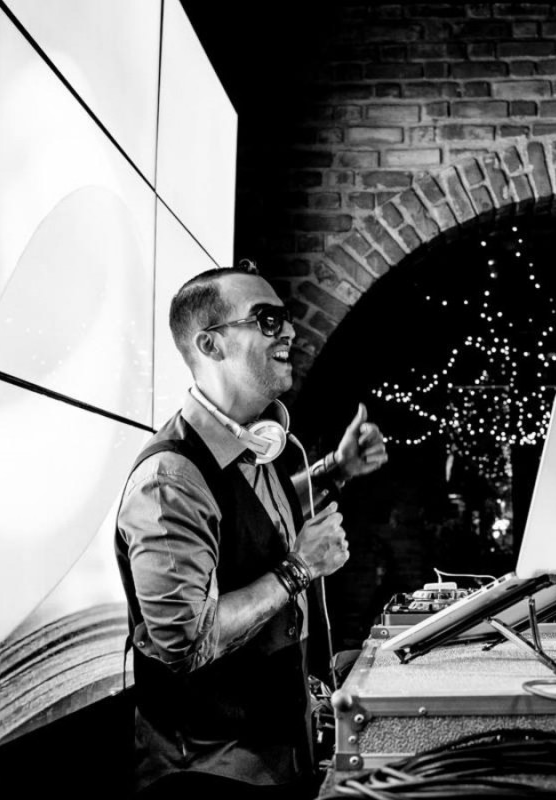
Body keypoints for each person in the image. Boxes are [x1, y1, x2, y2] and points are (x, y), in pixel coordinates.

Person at [115, 263, 387, 799]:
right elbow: (185, 644)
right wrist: (300, 568)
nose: (289, 332)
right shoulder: (169, 480)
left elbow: (258, 517)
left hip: (277, 758)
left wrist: (337, 468)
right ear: (211, 345)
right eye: (267, 320)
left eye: (285, 319)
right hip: (209, 777)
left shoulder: (255, 446)